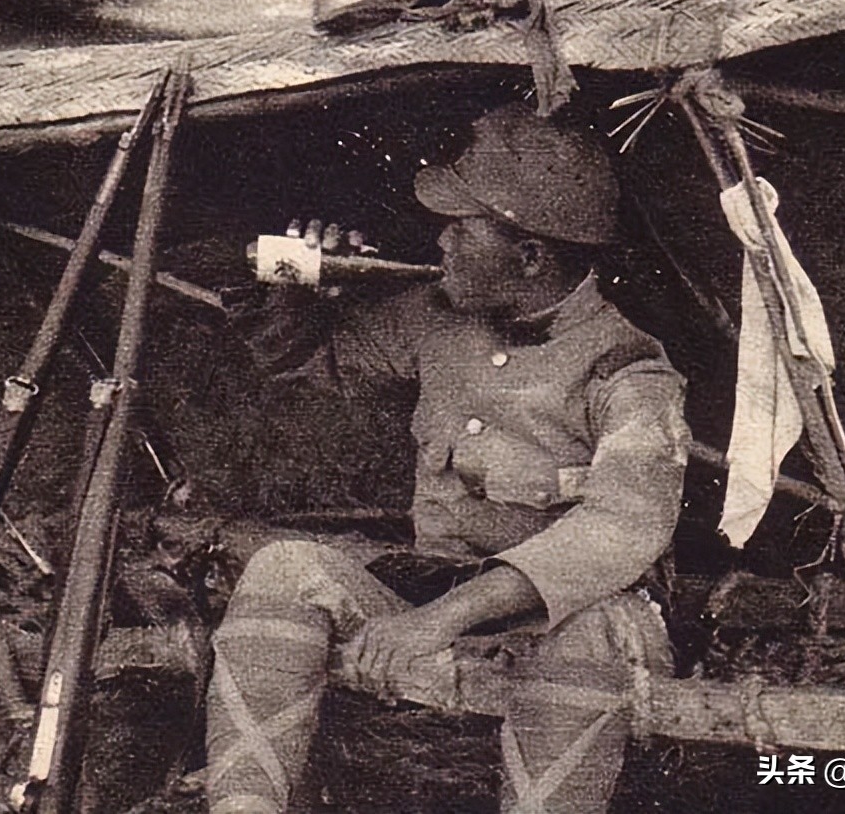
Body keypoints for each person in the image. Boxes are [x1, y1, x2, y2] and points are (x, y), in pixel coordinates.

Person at [205, 104, 692, 814]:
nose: (442, 241)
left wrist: (442, 620)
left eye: (463, 228)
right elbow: (315, 361)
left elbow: (619, 527)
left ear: (530, 257)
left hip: (566, 622)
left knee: (589, 631)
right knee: (285, 567)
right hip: (434, 594)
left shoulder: (629, 371)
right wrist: (290, 290)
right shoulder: (434, 318)